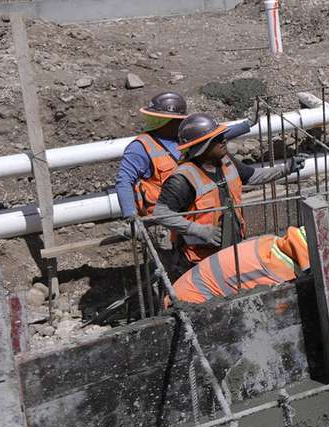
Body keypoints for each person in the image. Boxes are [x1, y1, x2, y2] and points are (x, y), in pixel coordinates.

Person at [145, 113, 307, 271]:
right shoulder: (182, 179)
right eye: (216, 139)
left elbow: (252, 176)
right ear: (203, 146)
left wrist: (286, 169)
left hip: (231, 248)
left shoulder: (225, 161)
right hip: (198, 260)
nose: (223, 141)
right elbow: (161, 213)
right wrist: (199, 230)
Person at [169, 225, 310, 305]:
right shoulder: (278, 275)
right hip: (189, 304)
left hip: (184, 289)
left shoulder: (269, 241)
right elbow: (275, 317)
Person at [115, 92, 187, 221]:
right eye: (178, 120)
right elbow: (124, 181)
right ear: (164, 121)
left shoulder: (184, 139)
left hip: (188, 212)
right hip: (161, 219)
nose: (181, 123)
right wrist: (130, 214)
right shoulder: (140, 147)